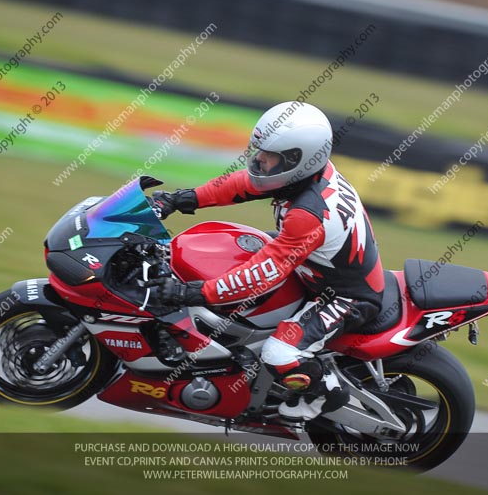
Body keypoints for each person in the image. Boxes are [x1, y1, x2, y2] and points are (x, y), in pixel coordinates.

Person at [148, 101, 385, 421]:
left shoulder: (307, 213)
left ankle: (325, 393)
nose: (259, 160)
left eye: (268, 156)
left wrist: (192, 293)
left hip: (346, 297)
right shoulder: (310, 175)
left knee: (279, 352)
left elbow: (261, 275)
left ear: (295, 160)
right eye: (258, 150)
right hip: (312, 267)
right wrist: (181, 199)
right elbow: (242, 185)